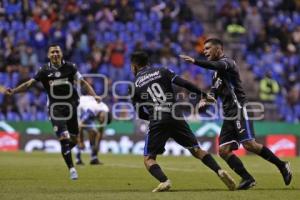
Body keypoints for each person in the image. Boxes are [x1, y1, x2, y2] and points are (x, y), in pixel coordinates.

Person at [180, 38, 292, 189]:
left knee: (249, 145)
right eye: (204, 49)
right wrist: (205, 101)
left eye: (208, 48)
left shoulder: (228, 63)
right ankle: (247, 178)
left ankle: (282, 165)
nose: (204, 51)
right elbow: (214, 93)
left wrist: (195, 61)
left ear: (218, 49)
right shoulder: (215, 75)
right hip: (228, 114)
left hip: (239, 108)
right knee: (223, 150)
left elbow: (216, 64)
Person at [130, 51, 236, 192]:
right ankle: (219, 171)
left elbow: (139, 112)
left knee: (149, 158)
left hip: (157, 118)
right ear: (147, 62)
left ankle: (164, 181)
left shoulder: (135, 85)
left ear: (134, 66)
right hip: (176, 115)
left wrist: (153, 117)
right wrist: (204, 95)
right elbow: (184, 84)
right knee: (197, 150)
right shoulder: (162, 70)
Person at [5, 44, 101, 180]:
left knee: (75, 138)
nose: (55, 54)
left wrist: (94, 95)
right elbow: (29, 84)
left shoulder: (70, 67)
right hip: (55, 108)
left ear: (61, 54)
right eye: (52, 52)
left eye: (57, 52)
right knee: (63, 138)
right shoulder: (44, 70)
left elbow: (83, 82)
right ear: (48, 55)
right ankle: (72, 169)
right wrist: (14, 91)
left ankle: (66, 150)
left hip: (71, 106)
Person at [76, 95, 112, 165]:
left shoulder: (105, 112)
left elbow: (100, 131)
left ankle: (94, 158)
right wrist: (81, 141)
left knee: (94, 132)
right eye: (101, 120)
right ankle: (78, 158)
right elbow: (80, 126)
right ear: (103, 115)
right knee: (78, 131)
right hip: (78, 109)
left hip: (88, 104)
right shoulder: (91, 111)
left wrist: (97, 145)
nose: (100, 121)